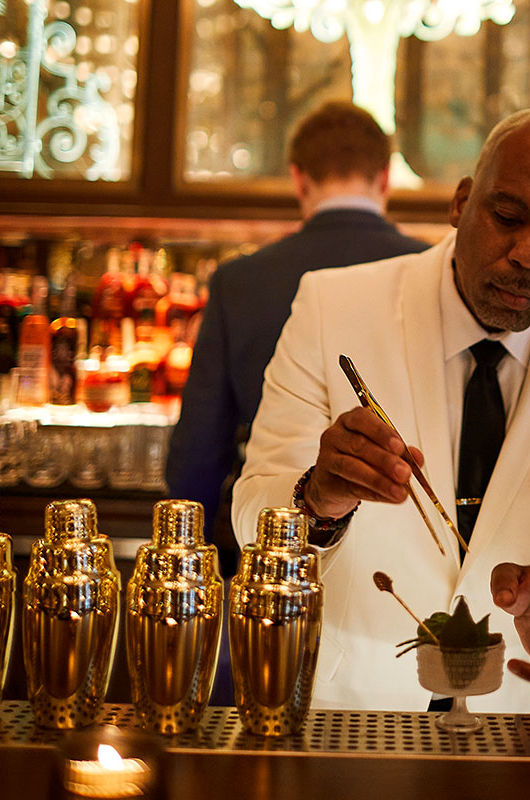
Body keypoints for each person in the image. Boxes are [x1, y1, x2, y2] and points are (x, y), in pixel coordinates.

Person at [232, 108, 530, 712]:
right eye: (508, 217)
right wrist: (318, 498)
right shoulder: (334, 307)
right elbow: (253, 518)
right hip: (355, 715)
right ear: (462, 203)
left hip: (523, 713)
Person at [166, 101, 429, 565]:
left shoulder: (241, 280)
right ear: (385, 177)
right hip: (407, 552)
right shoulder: (432, 272)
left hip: (274, 547)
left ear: (298, 178)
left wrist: (192, 558)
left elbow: (201, 449)